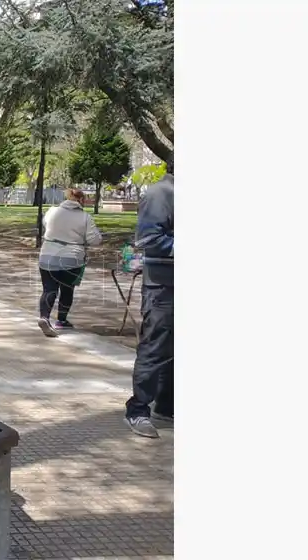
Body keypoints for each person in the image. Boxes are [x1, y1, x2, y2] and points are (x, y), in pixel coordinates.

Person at [124, 171, 174, 438]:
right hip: (163, 287)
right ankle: (138, 409)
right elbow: (148, 239)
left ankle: (167, 406)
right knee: (155, 348)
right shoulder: (160, 193)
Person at [36, 188, 103, 337]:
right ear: (81, 200)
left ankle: (44, 317)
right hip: (71, 258)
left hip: (47, 255)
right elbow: (95, 240)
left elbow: (46, 224)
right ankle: (61, 320)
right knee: (67, 289)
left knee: (49, 289)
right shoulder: (85, 217)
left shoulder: (52, 211)